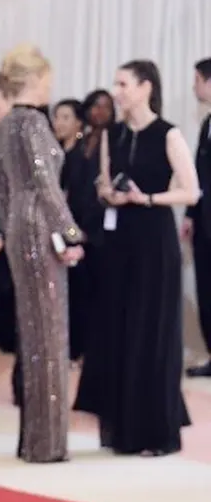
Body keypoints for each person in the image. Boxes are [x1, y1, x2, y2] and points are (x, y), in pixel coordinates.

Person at [76, 60, 198, 456]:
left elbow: (191, 192)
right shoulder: (112, 133)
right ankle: (125, 430)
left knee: (153, 333)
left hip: (154, 241)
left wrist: (144, 198)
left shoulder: (168, 133)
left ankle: (157, 433)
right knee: (121, 332)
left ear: (146, 87)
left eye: (123, 83)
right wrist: (109, 192)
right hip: (121, 243)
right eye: (116, 83)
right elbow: (108, 182)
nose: (117, 91)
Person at [0, 44, 85, 463]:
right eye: (46, 78)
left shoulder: (7, 124)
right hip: (39, 228)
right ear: (33, 80)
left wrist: (12, 228)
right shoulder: (32, 122)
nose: (51, 86)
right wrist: (69, 232)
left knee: (34, 336)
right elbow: (47, 185)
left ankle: (36, 441)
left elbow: (0, 188)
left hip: (16, 226)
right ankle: (47, 445)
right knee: (49, 336)